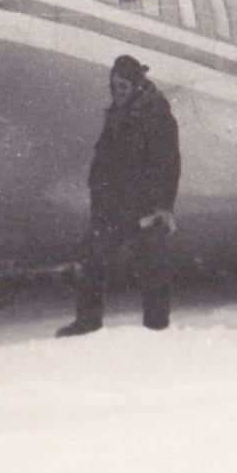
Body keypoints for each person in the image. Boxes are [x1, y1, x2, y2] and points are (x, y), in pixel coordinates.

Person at [59, 54, 182, 335]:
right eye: (114, 86)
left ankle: (157, 326)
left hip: (145, 208)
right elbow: (105, 162)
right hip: (112, 207)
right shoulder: (116, 115)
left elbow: (169, 165)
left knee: (153, 268)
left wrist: (163, 206)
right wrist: (99, 198)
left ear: (137, 85)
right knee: (91, 260)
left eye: (124, 86)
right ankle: (87, 321)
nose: (118, 92)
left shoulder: (158, 117)